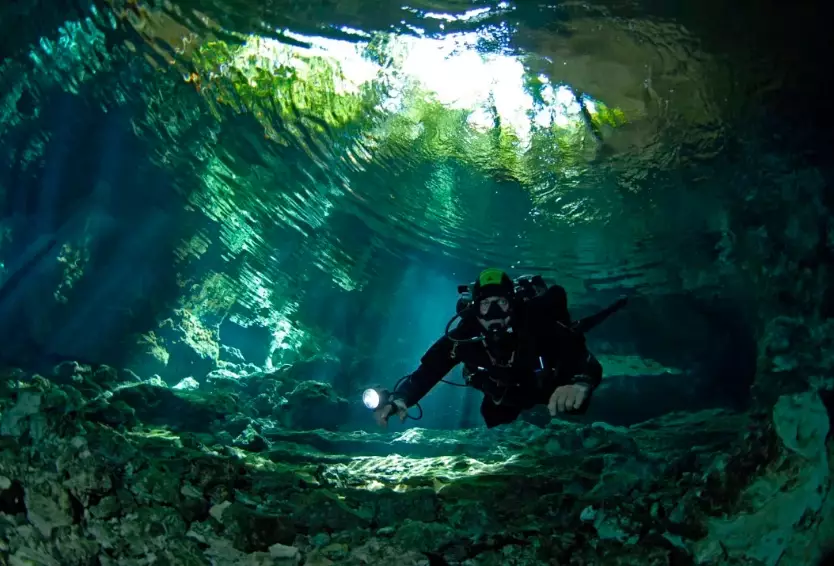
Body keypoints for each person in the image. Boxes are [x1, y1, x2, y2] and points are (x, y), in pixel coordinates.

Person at [375, 268, 604, 429]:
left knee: (577, 406)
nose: (494, 313)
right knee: (494, 417)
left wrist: (581, 383)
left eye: (501, 303)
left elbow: (583, 356)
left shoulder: (536, 325)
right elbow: (427, 372)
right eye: (485, 304)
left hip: (544, 388)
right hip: (502, 397)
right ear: (475, 309)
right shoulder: (464, 337)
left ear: (512, 305)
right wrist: (401, 398)